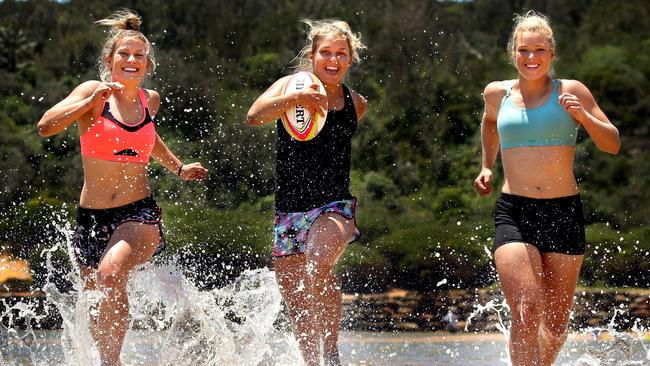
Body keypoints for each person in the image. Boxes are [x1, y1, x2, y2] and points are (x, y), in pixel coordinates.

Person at [36, 9, 207, 366]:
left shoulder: (150, 100)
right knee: (97, 296)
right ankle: (105, 360)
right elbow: (45, 126)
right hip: (90, 217)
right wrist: (90, 103)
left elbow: (150, 137)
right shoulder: (91, 91)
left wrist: (178, 167)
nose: (131, 61)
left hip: (138, 212)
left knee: (110, 275)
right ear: (109, 60)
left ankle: (113, 364)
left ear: (147, 64)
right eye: (124, 55)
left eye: (139, 56)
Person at [473, 11, 620, 366]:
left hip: (563, 212)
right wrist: (486, 165)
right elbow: (490, 123)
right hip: (515, 212)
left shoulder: (570, 91)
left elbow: (612, 143)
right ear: (513, 53)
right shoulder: (497, 93)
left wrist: (584, 116)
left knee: (554, 324)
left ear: (551, 54)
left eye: (539, 50)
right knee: (526, 308)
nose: (531, 58)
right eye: (523, 50)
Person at [247, 19, 367, 366]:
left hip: (334, 206)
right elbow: (254, 116)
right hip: (288, 211)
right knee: (297, 301)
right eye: (325, 53)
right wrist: (295, 98)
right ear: (312, 56)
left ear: (350, 59)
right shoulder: (289, 86)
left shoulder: (355, 103)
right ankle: (311, 362)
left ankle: (331, 356)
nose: (333, 60)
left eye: (341, 54)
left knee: (318, 264)